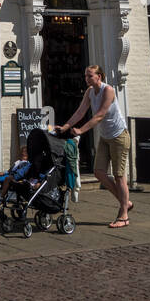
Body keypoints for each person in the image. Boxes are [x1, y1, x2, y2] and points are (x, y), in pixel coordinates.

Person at [55, 64, 133, 229]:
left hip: (119, 136)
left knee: (119, 176)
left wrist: (81, 130)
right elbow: (80, 112)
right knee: (98, 172)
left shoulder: (108, 90)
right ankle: (125, 201)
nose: (87, 79)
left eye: (90, 76)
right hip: (105, 137)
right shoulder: (90, 92)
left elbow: (99, 116)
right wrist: (66, 127)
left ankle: (124, 215)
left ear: (99, 76)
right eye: (85, 76)